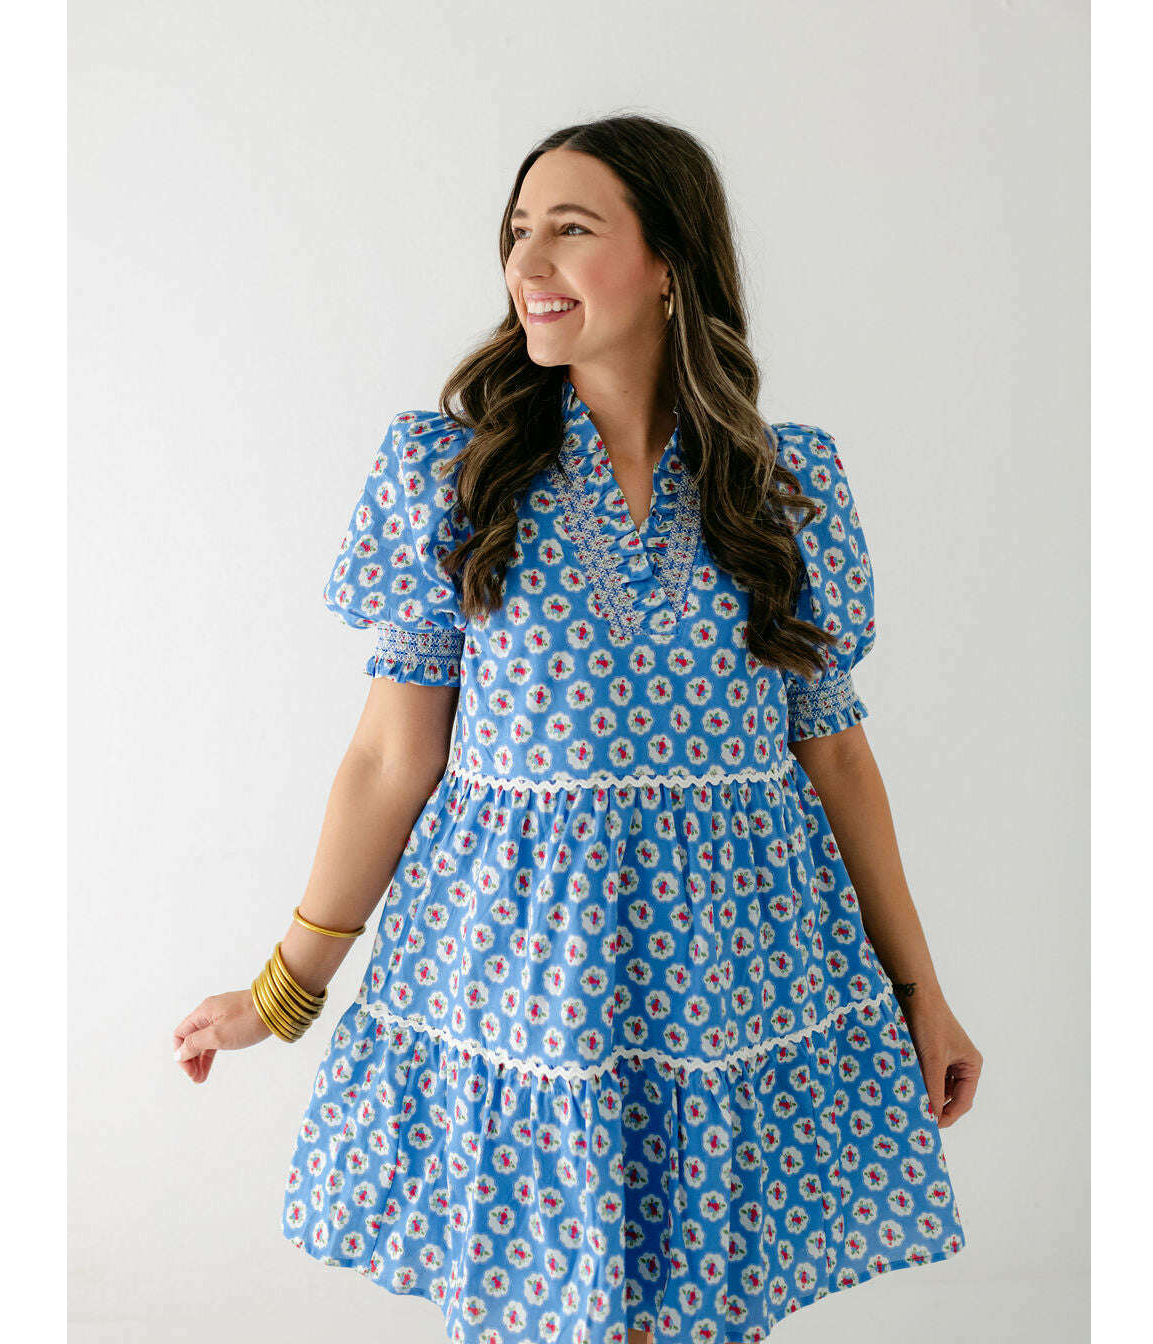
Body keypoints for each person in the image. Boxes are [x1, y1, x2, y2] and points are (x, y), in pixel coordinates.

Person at [173, 114, 982, 1344]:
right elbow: (392, 758)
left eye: (570, 228)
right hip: (522, 986)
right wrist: (281, 993)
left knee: (698, 1313)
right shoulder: (457, 478)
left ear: (668, 265)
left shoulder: (782, 491)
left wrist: (923, 992)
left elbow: (836, 754)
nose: (528, 262)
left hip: (733, 982)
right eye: (517, 232)